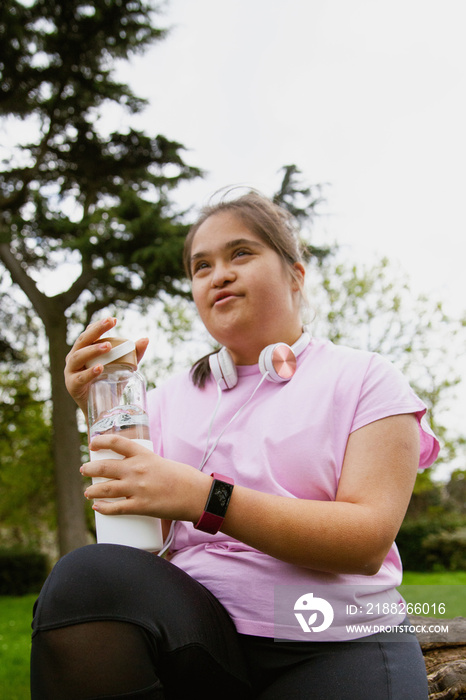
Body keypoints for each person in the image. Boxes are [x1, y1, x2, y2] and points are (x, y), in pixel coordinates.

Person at [31, 191, 439, 699]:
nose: (218, 273)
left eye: (240, 254)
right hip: (203, 638)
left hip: (335, 639)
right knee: (84, 577)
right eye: (202, 266)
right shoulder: (160, 401)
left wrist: (206, 498)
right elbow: (137, 547)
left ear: (296, 274)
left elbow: (365, 541)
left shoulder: (366, 379)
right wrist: (102, 415)